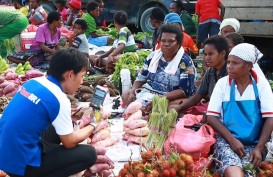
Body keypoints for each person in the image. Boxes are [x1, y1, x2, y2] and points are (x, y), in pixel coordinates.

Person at [0, 48, 98, 176]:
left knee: (53, 124)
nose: (81, 82)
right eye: (81, 76)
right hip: (20, 166)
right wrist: (93, 125)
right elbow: (69, 142)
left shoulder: (33, 82)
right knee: (89, 154)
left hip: (4, 154)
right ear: (70, 74)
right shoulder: (59, 98)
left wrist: (68, 117)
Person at [206, 43, 273, 177]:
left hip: (255, 143)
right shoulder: (223, 84)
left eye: (235, 63)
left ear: (248, 65)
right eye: (229, 62)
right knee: (234, 171)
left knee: (248, 171)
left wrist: (259, 148)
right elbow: (211, 117)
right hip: (226, 141)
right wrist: (232, 140)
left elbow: (270, 118)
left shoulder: (261, 85)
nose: (229, 66)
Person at [122, 23, 196, 106]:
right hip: (150, 92)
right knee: (126, 95)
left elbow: (185, 91)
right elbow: (141, 77)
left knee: (172, 106)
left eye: (171, 41)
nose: (166, 44)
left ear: (178, 43)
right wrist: (133, 91)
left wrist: (160, 99)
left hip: (169, 97)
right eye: (163, 41)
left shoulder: (185, 62)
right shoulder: (153, 56)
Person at [169, 35, 228, 115]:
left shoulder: (230, 73)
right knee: (175, 107)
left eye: (211, 54)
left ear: (223, 54)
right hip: (211, 107)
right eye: (206, 54)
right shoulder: (210, 71)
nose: (207, 58)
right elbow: (198, 96)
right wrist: (179, 107)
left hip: (223, 111)